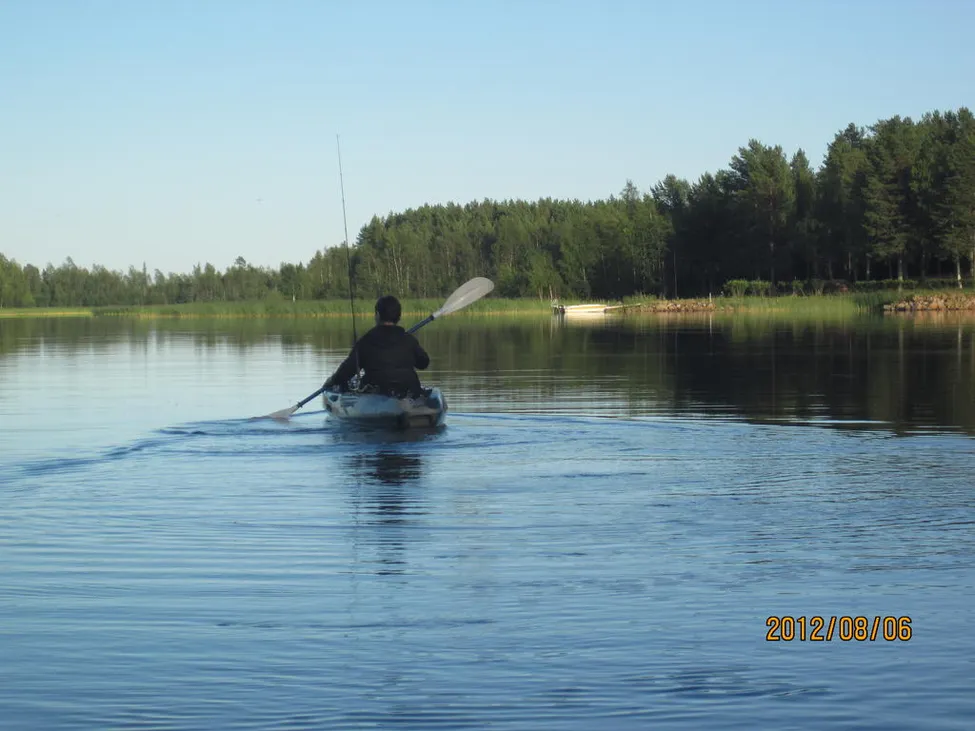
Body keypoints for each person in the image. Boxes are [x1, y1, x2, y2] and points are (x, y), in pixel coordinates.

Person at [323, 295, 430, 397]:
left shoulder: (365, 342)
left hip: (377, 392)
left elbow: (346, 372)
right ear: (399, 316)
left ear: (377, 315)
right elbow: (424, 363)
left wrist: (332, 381)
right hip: (410, 391)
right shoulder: (409, 340)